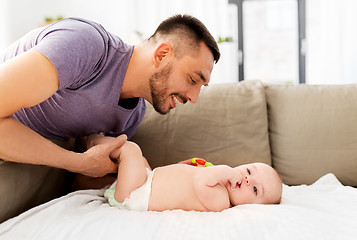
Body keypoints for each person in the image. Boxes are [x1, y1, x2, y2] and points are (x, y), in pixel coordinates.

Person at [0, 15, 220, 221]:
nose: (193, 98)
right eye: (193, 79)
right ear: (161, 54)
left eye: (201, 87)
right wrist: (78, 163)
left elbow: (88, 183)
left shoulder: (132, 116)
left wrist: (172, 179)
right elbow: (83, 166)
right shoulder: (85, 45)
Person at [87, 134, 283, 212]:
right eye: (249, 170)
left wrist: (227, 171)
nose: (248, 179)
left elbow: (200, 182)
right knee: (142, 162)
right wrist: (183, 167)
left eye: (256, 190)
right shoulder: (219, 182)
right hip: (147, 181)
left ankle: (93, 143)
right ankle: (89, 175)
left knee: (131, 150)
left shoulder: (221, 201)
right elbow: (186, 182)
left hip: (136, 195)